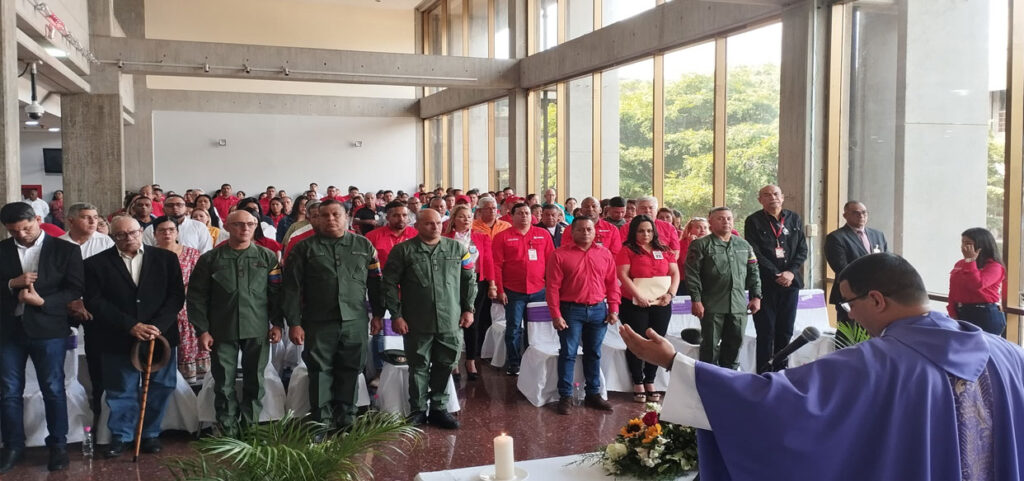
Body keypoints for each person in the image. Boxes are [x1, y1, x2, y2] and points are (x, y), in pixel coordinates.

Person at [620, 252, 1024, 481]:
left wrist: (673, 360)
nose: (849, 315)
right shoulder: (1009, 354)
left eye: (849, 304)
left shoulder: (875, 364)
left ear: (878, 300)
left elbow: (772, 404)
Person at [84, 216, 184, 459]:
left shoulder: (166, 258)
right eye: (120, 235)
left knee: (161, 386)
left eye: (132, 232)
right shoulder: (95, 264)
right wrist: (131, 325)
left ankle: (149, 433)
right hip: (118, 336)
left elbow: (176, 297)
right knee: (121, 389)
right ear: (112, 237)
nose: (128, 238)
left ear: (142, 231)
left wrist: (156, 326)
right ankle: (122, 435)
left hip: (160, 336)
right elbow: (95, 302)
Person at [283, 199, 385, 430]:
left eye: (335, 214)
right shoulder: (303, 248)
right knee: (320, 371)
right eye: (324, 215)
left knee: (351, 369)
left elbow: (375, 282)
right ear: (316, 218)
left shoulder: (363, 245)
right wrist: (294, 323)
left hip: (354, 320)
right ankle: (321, 421)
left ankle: (346, 418)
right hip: (318, 321)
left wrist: (378, 314)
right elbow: (291, 289)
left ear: (346, 217)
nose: (330, 219)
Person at [0, 203, 83, 473]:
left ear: (38, 219)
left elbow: (74, 288)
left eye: (26, 228)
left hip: (49, 329)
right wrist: (13, 283)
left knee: (53, 388)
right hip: (9, 330)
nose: (22, 234)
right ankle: (13, 446)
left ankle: (58, 445)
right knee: (9, 392)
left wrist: (42, 301)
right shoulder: (1, 250)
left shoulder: (65, 249)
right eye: (14, 232)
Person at [188, 210, 284, 436]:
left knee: (256, 381)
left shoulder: (267, 257)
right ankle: (227, 427)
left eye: (250, 224)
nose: (245, 229)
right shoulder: (210, 259)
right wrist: (202, 330)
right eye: (239, 224)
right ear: (228, 227)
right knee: (223, 382)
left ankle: (249, 426)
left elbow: (277, 293)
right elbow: (196, 297)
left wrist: (277, 324)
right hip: (222, 329)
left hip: (257, 328)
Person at [382, 209, 476, 429]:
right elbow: (388, 284)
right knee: (418, 366)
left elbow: (469, 281)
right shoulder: (403, 251)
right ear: (417, 226)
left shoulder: (457, 249)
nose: (435, 227)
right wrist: (396, 315)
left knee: (445, 364)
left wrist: (468, 309)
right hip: (416, 319)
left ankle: (439, 408)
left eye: (438, 223)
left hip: (450, 319)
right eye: (429, 224)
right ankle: (417, 409)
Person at [546, 216, 620, 415]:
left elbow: (612, 282)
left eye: (589, 229)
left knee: (594, 353)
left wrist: (614, 308)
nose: (586, 233)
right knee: (568, 353)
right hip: (571, 311)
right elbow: (552, 287)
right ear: (572, 231)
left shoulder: (604, 254)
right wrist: (556, 314)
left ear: (595, 231)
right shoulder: (559, 255)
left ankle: (593, 394)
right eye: (581, 229)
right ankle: (566, 396)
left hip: (598, 310)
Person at [685, 207, 761, 369]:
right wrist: (696, 300)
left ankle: (730, 379)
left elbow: (754, 272)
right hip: (712, 304)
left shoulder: (743, 245)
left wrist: (756, 296)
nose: (725, 221)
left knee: (734, 344)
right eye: (720, 218)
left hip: (738, 305)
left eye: (728, 218)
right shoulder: (700, 245)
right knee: (710, 346)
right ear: (710, 223)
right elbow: (692, 274)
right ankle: (709, 380)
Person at [615, 215, 680, 403]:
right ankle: (638, 381)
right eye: (641, 231)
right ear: (634, 232)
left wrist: (671, 294)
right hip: (634, 303)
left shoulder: (664, 250)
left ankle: (650, 380)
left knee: (657, 340)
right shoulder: (627, 250)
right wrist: (638, 295)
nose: (646, 234)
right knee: (637, 340)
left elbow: (674, 273)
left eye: (649, 231)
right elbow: (623, 275)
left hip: (661, 303)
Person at [744, 185, 807, 372]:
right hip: (766, 285)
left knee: (785, 330)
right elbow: (754, 252)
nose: (773, 198)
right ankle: (764, 373)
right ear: (760, 199)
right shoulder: (753, 220)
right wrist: (776, 274)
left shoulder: (794, 218)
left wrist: (791, 272)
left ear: (783, 197)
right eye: (767, 195)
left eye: (776, 194)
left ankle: (781, 371)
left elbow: (802, 249)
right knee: (766, 332)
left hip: (791, 283)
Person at [492, 203, 555, 376]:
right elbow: (496, 265)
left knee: (535, 328)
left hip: (539, 290)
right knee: (513, 328)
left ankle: (532, 360)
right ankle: (514, 363)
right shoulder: (502, 237)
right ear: (511, 216)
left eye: (527, 213)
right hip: (513, 291)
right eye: (520, 213)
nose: (525, 216)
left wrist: (551, 287)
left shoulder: (543, 234)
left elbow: (551, 262)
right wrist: (500, 289)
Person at [151, 216, 208, 385]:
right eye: (162, 230)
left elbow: (200, 280)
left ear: (177, 232)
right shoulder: (150, 255)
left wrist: (180, 293)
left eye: (171, 230)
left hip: (186, 306)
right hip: (159, 306)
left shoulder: (192, 254)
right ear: (155, 234)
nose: (167, 233)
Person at [443, 204, 496, 381]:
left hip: (476, 283)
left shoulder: (481, 237)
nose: (466, 219)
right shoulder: (445, 238)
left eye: (469, 216)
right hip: (452, 284)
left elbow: (488, 262)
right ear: (453, 219)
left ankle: (471, 360)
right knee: (453, 323)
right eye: (461, 216)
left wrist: (492, 285)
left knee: (473, 322)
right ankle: (454, 362)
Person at [824, 201, 888, 344]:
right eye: (856, 212)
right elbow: (842, 268)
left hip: (875, 295)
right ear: (845, 215)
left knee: (871, 337)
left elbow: (885, 261)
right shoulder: (836, 237)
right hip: (850, 295)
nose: (861, 216)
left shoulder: (878, 235)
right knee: (848, 338)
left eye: (864, 212)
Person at [948, 227, 1006, 335]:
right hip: (962, 312)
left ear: (981, 245)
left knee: (985, 349)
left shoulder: (994, 267)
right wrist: (952, 312)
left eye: (968, 243)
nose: (963, 247)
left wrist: (970, 261)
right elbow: (953, 290)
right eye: (962, 242)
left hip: (985, 314)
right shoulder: (960, 264)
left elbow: (976, 285)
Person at [143, 195, 213, 254]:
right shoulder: (151, 229)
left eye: (179, 205)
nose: (175, 207)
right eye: (170, 205)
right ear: (163, 209)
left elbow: (205, 251)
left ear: (186, 208)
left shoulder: (199, 226)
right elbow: (147, 252)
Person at [676, 216, 710, 295]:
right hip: (685, 282)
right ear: (690, 230)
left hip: (705, 281)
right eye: (698, 227)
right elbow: (687, 263)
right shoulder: (683, 243)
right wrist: (692, 245)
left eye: (705, 227)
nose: (702, 230)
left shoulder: (711, 243)